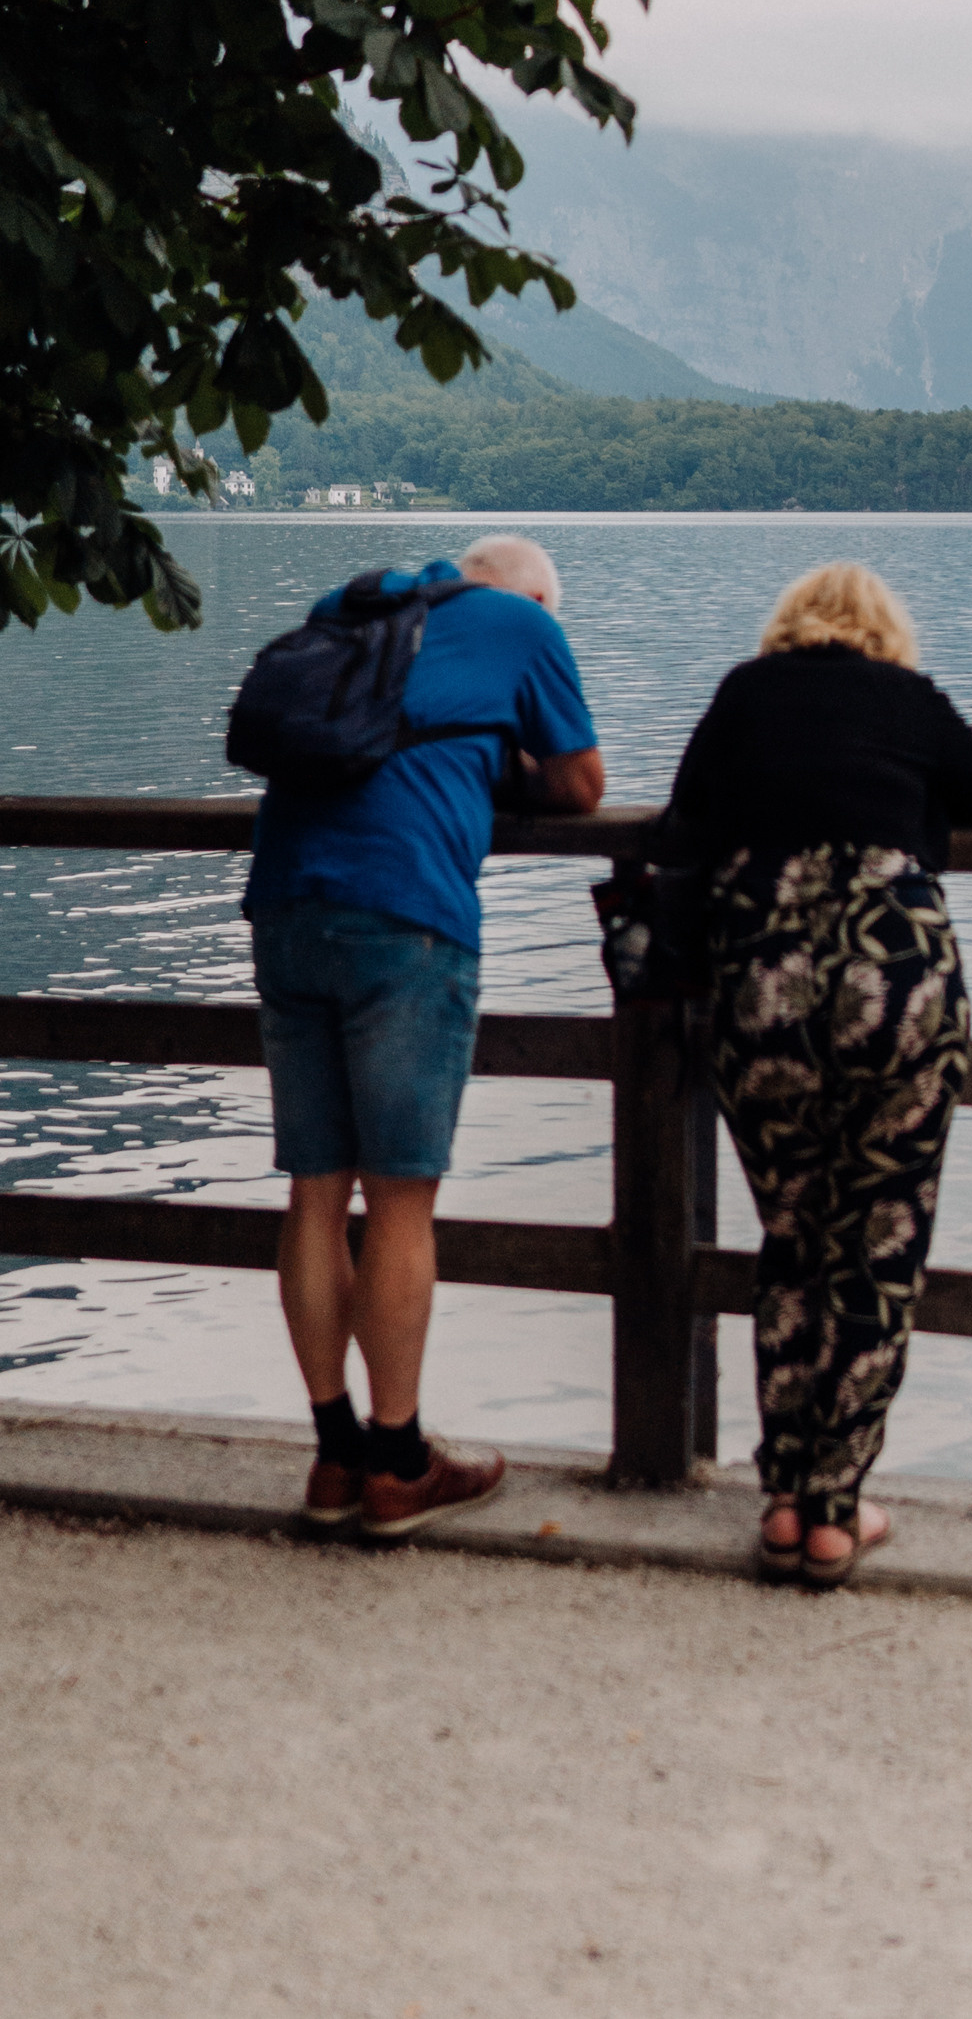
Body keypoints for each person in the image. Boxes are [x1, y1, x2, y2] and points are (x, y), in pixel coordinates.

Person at [663, 561, 972, 1587]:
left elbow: (684, 821)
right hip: (895, 981)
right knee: (880, 1238)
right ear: (884, 631)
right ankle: (838, 1504)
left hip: (763, 989)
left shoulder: (744, 692)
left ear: (787, 625)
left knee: (791, 1232)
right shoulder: (904, 699)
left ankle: (782, 1499)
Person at [243, 534, 604, 1537]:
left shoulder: (354, 602)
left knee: (315, 1188)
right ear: (534, 595)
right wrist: (496, 771)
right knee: (401, 1195)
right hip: (404, 911)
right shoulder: (525, 624)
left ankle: (333, 1454)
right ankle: (398, 1464)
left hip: (283, 901)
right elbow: (582, 784)